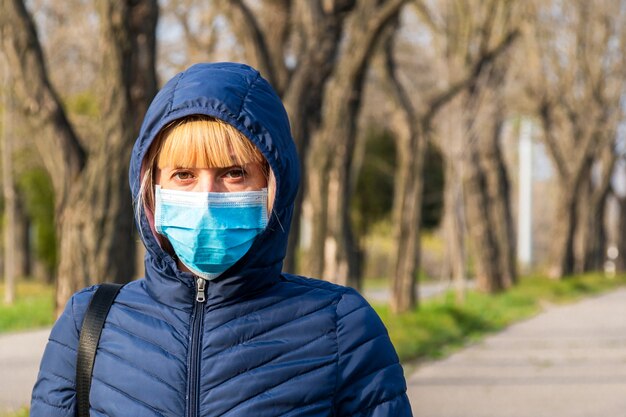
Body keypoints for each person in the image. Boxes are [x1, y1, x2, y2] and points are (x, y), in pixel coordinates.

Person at [30, 62, 413, 416]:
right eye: (183, 174)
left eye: (233, 173)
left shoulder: (342, 326)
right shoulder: (90, 324)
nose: (207, 197)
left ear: (273, 184)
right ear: (151, 188)